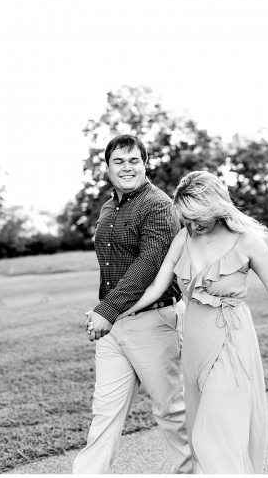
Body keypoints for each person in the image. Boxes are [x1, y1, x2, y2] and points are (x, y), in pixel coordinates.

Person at [109, 170, 268, 474]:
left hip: (231, 338)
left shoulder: (247, 242)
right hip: (196, 340)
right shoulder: (184, 236)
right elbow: (157, 287)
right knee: (202, 430)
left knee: (213, 432)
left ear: (216, 206)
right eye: (185, 218)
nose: (192, 225)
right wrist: (117, 311)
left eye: (198, 217)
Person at [74, 135, 192, 473]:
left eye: (134, 161)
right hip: (114, 326)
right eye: (119, 161)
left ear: (144, 164)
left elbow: (148, 265)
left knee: (170, 411)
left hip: (154, 322)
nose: (127, 168)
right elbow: (112, 266)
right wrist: (108, 310)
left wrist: (105, 310)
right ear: (108, 167)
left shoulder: (158, 205)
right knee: (104, 412)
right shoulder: (108, 207)